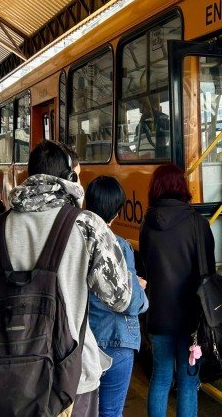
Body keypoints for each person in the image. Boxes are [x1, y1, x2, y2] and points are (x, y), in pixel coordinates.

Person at [0, 140, 132, 416]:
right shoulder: (88, 226)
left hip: (7, 374)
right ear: (70, 177)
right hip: (73, 377)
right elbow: (120, 299)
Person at [140, 163, 214, 417]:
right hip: (191, 317)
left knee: (160, 379)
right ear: (182, 186)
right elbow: (209, 272)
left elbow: (145, 269)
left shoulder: (148, 223)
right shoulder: (197, 223)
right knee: (187, 381)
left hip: (157, 314)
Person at [85, 176, 148, 417]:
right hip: (117, 339)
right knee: (111, 412)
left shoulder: (73, 240)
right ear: (116, 212)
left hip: (85, 338)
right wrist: (141, 290)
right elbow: (130, 302)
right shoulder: (119, 246)